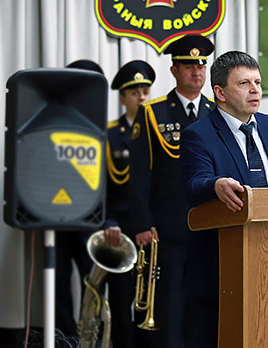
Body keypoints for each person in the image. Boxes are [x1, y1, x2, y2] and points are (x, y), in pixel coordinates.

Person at [180, 51, 268, 348]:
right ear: (220, 92)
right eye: (244, 83)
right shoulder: (198, 134)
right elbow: (193, 183)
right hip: (221, 267)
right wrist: (216, 185)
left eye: (258, 83)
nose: (255, 90)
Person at [127, 34, 216, 347]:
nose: (197, 72)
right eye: (189, 66)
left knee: (205, 308)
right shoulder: (153, 113)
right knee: (171, 310)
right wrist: (141, 224)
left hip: (210, 228)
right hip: (168, 230)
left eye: (201, 65)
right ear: (174, 70)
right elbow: (138, 176)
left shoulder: (217, 113)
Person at [105, 60, 155, 347]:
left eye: (145, 90)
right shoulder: (110, 136)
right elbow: (103, 188)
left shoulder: (159, 131)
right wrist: (109, 221)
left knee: (152, 297)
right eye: (134, 92)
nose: (141, 97)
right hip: (120, 231)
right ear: (123, 98)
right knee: (122, 295)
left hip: (154, 229)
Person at [54, 60, 105, 338]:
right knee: (57, 284)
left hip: (92, 219)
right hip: (56, 217)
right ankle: (64, 340)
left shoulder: (103, 126)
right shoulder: (53, 120)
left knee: (94, 287)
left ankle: (93, 340)